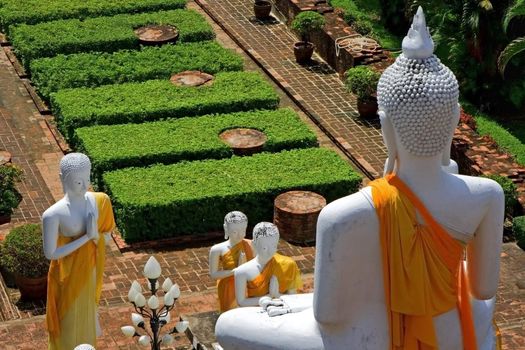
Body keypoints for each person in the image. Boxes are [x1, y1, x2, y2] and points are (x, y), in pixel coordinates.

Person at [215, 7, 503, 350]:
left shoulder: (343, 215)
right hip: (449, 329)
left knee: (228, 323)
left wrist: (288, 305)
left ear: (385, 126)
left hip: (361, 339)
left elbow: (328, 316)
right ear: (454, 119)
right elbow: (483, 291)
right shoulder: (487, 195)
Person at [43, 153, 115, 350]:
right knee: (67, 326)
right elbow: (51, 253)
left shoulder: (100, 201)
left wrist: (97, 237)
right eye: (78, 182)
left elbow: (107, 235)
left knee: (87, 321)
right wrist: (87, 237)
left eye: (88, 179)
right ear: (61, 178)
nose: (85, 186)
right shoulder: (52, 214)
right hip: (66, 277)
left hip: (89, 271)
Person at [233, 222, 302, 307]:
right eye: (264, 248)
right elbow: (241, 302)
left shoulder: (288, 265)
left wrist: (277, 295)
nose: (270, 252)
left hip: (281, 312)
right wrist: (269, 297)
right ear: (254, 245)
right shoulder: (241, 271)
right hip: (256, 314)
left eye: (274, 246)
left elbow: (293, 299)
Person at [209, 211, 254, 312]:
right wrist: (236, 270)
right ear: (226, 229)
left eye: (243, 231)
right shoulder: (217, 249)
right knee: (230, 315)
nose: (239, 235)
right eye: (234, 232)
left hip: (247, 284)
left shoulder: (251, 245)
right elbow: (213, 274)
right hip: (228, 287)